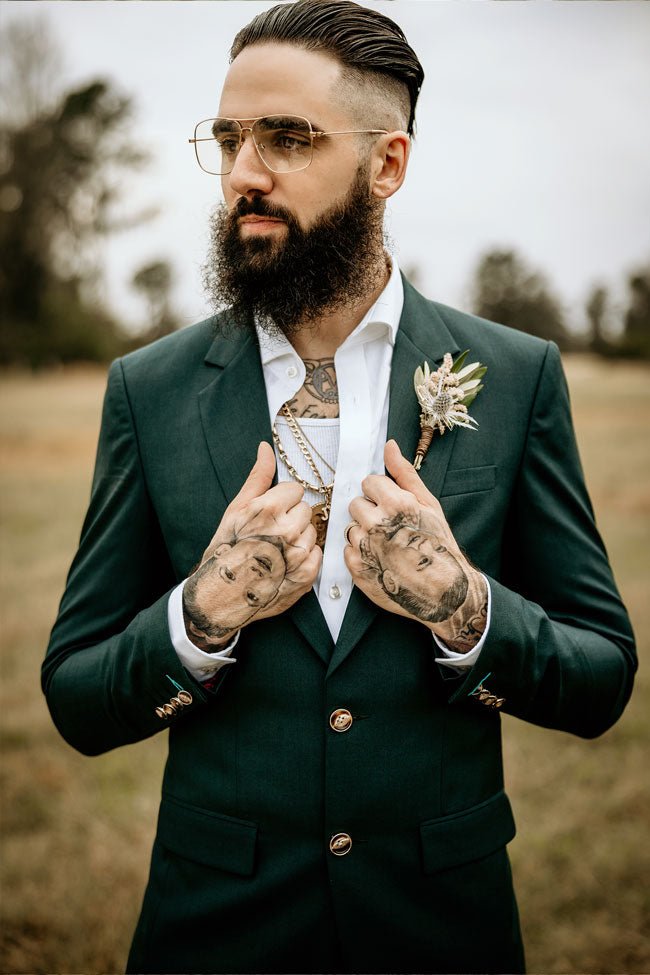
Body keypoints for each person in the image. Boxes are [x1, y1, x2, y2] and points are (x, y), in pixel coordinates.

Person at [42, 2, 636, 973]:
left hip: (439, 930)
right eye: (229, 139)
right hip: (215, 933)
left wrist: (462, 606)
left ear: (386, 163)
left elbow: (600, 676)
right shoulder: (146, 390)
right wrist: (198, 616)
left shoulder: (515, 373)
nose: (243, 172)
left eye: (287, 138)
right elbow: (74, 695)